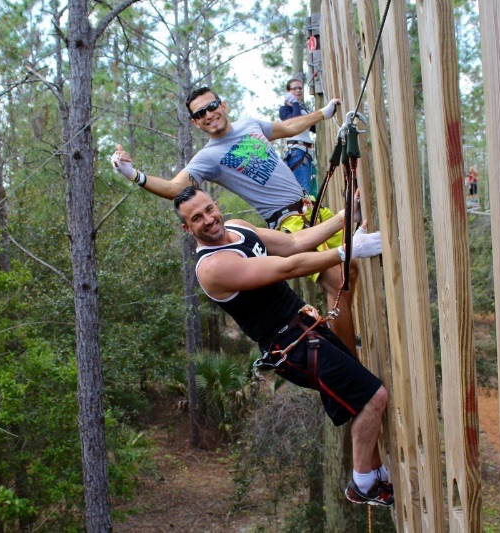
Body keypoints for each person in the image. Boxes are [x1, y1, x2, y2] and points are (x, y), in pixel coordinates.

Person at [172, 186, 394, 507]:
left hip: (306, 328)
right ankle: (363, 483)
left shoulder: (239, 228)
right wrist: (346, 251)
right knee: (374, 396)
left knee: (360, 397)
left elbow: (292, 244)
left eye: (209, 209)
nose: (209, 219)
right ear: (187, 228)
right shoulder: (212, 268)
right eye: (197, 218)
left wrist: (347, 216)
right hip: (293, 348)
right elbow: (285, 267)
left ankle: (375, 476)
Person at [110, 86, 366, 356]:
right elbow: (175, 188)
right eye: (200, 113)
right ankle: (350, 363)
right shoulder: (208, 157)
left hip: (311, 208)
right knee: (339, 280)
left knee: (351, 271)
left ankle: (344, 338)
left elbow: (287, 128)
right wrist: (134, 175)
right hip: (289, 222)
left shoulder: (249, 124)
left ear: (223, 105)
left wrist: (322, 114)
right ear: (195, 122)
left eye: (212, 106)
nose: (209, 114)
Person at [279, 78, 317, 197]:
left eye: (300, 88)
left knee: (308, 190)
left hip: (306, 151)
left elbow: (314, 128)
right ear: (288, 91)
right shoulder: (285, 110)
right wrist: (295, 103)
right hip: (297, 151)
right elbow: (295, 123)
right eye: (294, 88)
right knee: (303, 190)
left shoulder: (302, 108)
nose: (298, 90)